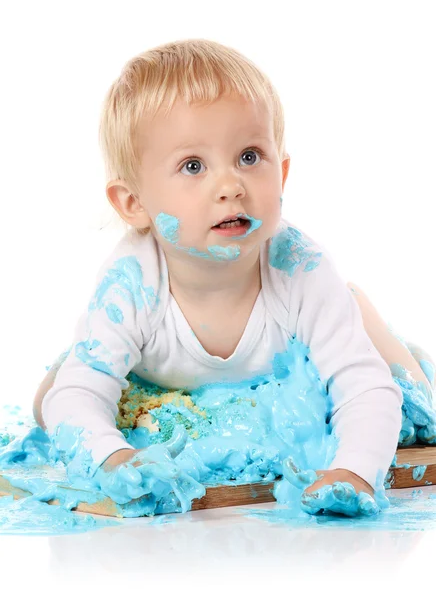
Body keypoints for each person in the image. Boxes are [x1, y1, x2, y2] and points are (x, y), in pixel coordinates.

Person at [32, 38, 434, 515]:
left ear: (281, 174)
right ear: (134, 203)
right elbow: (78, 401)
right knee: (53, 399)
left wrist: (352, 471)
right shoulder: (130, 288)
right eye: (193, 166)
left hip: (298, 345)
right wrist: (116, 459)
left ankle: (367, 316)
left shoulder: (299, 270)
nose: (230, 186)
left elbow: (365, 389)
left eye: (249, 156)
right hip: (161, 370)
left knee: (408, 396)